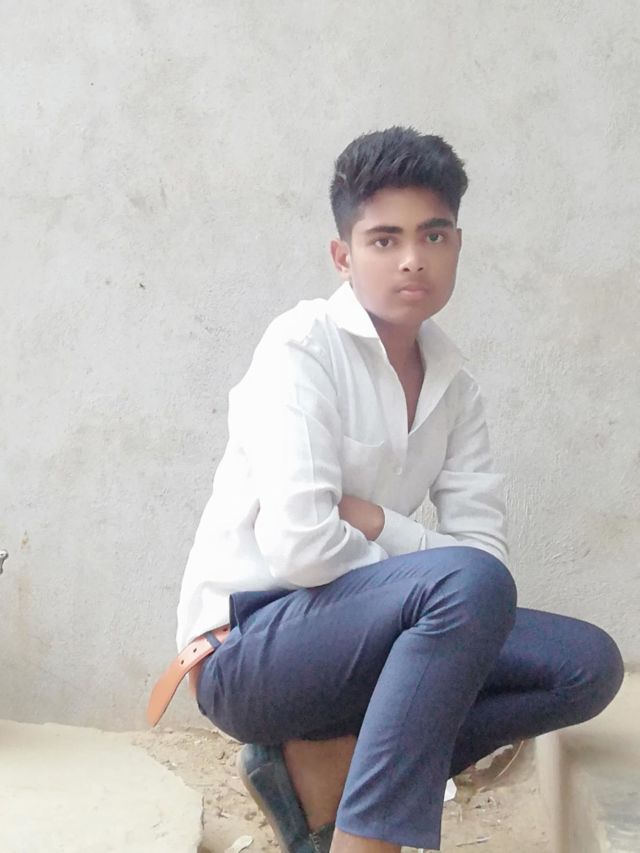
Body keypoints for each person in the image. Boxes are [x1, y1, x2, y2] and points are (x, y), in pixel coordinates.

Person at [176, 127, 624, 853]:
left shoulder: (455, 387)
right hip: (248, 650)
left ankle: (330, 767)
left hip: (361, 640)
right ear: (343, 257)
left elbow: (486, 562)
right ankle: (366, 840)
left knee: (584, 665)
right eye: (384, 240)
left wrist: (381, 523)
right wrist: (429, 579)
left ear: (457, 246)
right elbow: (301, 550)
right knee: (461, 588)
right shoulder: (300, 348)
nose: (413, 257)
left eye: (433, 235)